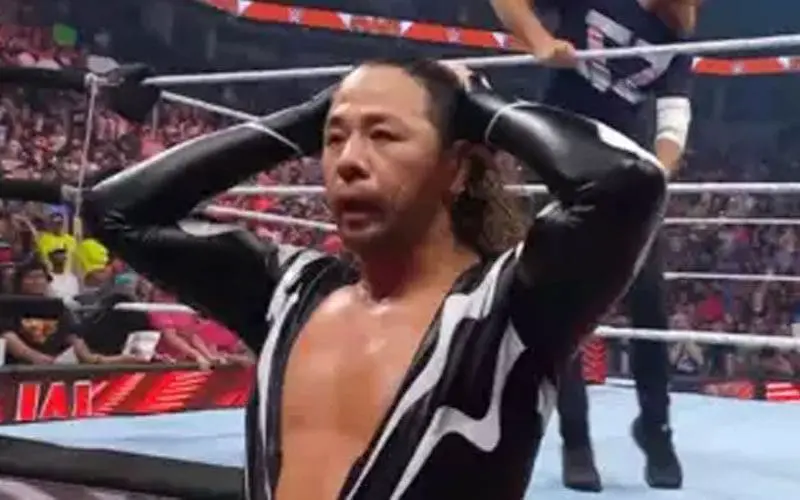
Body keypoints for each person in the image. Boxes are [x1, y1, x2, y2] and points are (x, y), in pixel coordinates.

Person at [1, 59, 666, 499]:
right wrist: (307, 117)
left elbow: (627, 182)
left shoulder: (512, 307)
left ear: (459, 168)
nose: (348, 160)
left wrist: (474, 104)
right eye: (335, 138)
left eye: (384, 136)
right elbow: (116, 210)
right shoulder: (289, 292)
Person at [490, 0, 701, 491]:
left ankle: (656, 429)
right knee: (566, 299)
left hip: (626, 164)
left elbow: (674, 120)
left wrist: (658, 173)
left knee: (649, 298)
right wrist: (540, 42)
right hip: (561, 153)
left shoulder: (678, 35)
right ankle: (576, 440)